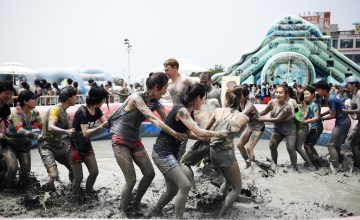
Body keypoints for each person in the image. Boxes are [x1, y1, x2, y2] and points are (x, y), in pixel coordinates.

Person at [108, 72, 186, 216]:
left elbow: (168, 120)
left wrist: (186, 128)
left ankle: (135, 203)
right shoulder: (137, 97)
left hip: (135, 140)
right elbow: (153, 119)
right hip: (120, 141)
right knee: (131, 180)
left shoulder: (156, 102)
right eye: (164, 89)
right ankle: (122, 212)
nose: (165, 92)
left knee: (149, 174)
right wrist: (174, 134)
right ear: (156, 87)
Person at [151, 83, 228, 218]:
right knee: (185, 185)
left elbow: (191, 134)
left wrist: (207, 139)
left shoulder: (189, 111)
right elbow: (198, 130)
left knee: (172, 189)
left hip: (170, 154)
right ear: (198, 97)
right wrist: (218, 133)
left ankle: (156, 210)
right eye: (204, 99)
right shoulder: (182, 110)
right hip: (162, 153)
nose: (204, 102)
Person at [205, 86, 248, 217]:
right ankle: (220, 215)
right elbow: (237, 134)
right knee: (237, 188)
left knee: (228, 180)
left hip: (213, 152)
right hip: (227, 155)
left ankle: (218, 202)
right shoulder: (243, 117)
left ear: (226, 99)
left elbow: (206, 130)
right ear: (240, 100)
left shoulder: (217, 111)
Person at [69, 86, 109, 193]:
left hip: (86, 145)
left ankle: (88, 193)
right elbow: (85, 133)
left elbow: (106, 122)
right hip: (74, 146)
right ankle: (75, 197)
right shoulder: (82, 111)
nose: (104, 101)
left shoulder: (97, 110)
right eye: (103, 99)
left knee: (94, 172)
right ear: (98, 99)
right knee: (78, 178)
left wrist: (111, 123)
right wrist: (101, 127)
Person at [38, 86, 77, 190]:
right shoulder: (55, 109)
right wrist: (66, 132)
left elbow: (71, 131)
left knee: (74, 169)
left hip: (60, 145)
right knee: (53, 175)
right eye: (75, 96)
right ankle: (44, 192)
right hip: (47, 145)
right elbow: (51, 127)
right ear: (69, 98)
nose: (76, 98)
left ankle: (73, 190)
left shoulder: (66, 114)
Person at [2, 90, 43, 190]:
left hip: (24, 144)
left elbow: (43, 128)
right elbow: (20, 130)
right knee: (12, 168)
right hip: (9, 143)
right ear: (26, 101)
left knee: (26, 172)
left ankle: (22, 190)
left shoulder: (35, 113)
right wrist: (36, 136)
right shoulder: (16, 113)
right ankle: (8, 190)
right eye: (33, 99)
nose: (36, 100)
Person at [257, 85, 298, 170]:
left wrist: (259, 120)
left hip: (289, 129)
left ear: (286, 94)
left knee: (290, 148)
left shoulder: (287, 107)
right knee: (272, 145)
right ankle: (274, 165)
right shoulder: (272, 102)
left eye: (280, 93)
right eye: (276, 92)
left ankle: (295, 167)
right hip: (278, 129)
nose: (278, 94)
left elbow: (277, 120)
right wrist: (255, 115)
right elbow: (265, 111)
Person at [315, 80, 351, 169]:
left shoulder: (330, 99)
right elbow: (332, 109)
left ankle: (335, 166)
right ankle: (339, 163)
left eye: (318, 90)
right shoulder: (332, 96)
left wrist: (321, 118)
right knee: (336, 144)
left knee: (330, 144)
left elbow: (332, 115)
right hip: (345, 120)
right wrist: (322, 114)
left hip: (342, 122)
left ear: (324, 90)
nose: (317, 92)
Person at [163, 58, 193, 158]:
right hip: (174, 116)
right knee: (171, 143)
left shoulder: (186, 80)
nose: (165, 72)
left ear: (175, 68)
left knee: (182, 144)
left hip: (185, 115)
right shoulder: (169, 83)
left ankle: (179, 166)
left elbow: (196, 96)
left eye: (167, 70)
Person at [236, 87, 265, 168]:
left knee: (249, 148)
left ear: (244, 96)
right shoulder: (238, 104)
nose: (238, 96)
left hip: (258, 126)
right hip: (250, 126)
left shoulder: (249, 104)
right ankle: (248, 164)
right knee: (239, 145)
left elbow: (243, 114)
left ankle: (253, 169)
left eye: (240, 95)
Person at [301, 86, 323, 166]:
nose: (305, 96)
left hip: (316, 127)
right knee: (310, 145)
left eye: (307, 94)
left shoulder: (315, 105)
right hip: (314, 127)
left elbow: (316, 118)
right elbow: (305, 116)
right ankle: (318, 161)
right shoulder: (310, 104)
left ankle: (312, 163)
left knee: (306, 145)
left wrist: (305, 122)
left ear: (313, 95)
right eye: (304, 94)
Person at [341, 76, 360, 169]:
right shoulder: (354, 95)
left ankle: (358, 165)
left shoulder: (359, 94)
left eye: (347, 85)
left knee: (353, 144)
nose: (346, 87)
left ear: (354, 84)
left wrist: (347, 111)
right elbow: (355, 115)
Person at [0, 82, 15, 184]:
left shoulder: (6, 107)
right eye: (6, 93)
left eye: (10, 94)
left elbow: (8, 123)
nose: (9, 96)